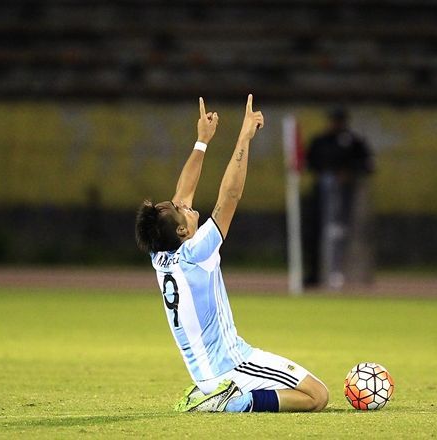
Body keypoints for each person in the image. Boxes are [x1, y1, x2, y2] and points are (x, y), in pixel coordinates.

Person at [134, 95, 329, 413]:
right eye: (181, 209)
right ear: (182, 231)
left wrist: (202, 142)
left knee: (308, 391)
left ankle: (216, 396)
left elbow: (182, 192)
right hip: (231, 364)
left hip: (205, 372)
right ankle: (232, 403)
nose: (185, 203)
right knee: (317, 395)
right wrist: (244, 136)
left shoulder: (162, 256)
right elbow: (231, 195)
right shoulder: (197, 251)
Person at [304, 108, 374, 288]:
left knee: (345, 234)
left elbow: (367, 164)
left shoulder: (354, 142)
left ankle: (348, 274)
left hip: (347, 198)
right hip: (322, 196)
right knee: (318, 234)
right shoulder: (321, 141)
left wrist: (349, 173)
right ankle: (316, 273)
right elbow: (310, 162)